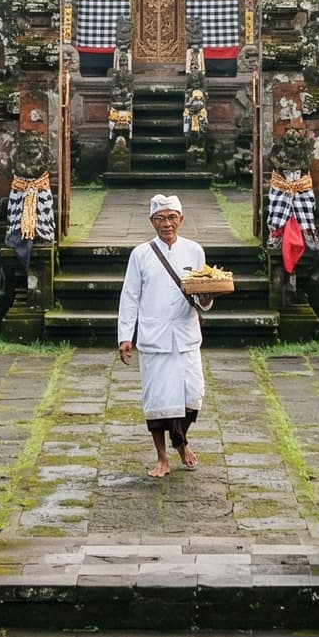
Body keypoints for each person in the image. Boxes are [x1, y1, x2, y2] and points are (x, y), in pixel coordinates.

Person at [117, 192, 209, 478]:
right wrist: (125, 335)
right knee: (157, 401)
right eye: (160, 218)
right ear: (151, 221)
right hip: (154, 336)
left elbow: (203, 295)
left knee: (192, 395)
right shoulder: (141, 255)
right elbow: (130, 296)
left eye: (171, 218)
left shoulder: (194, 251)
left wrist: (207, 296)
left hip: (185, 334)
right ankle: (162, 458)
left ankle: (180, 441)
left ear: (181, 219)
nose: (166, 224)